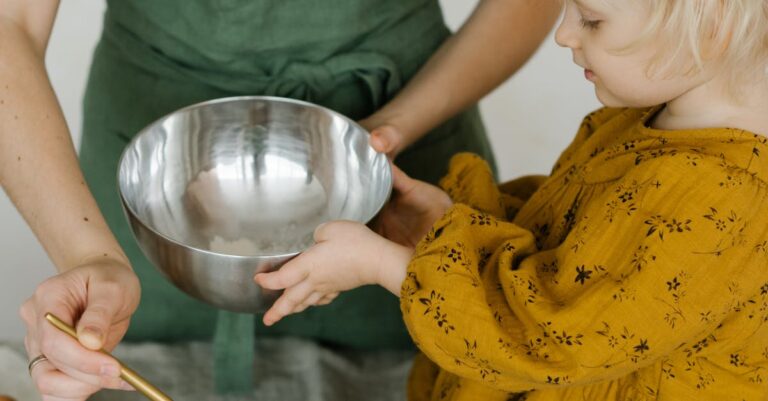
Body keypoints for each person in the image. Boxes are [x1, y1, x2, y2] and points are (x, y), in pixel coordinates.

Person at [0, 0, 562, 399]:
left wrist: (391, 129)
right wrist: (86, 255)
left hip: (400, 165)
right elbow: (10, 21)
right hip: (160, 190)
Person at [256, 0, 768, 399]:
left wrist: (388, 266)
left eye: (591, 20)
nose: (564, 33)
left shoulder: (721, 196)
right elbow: (567, 243)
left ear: (712, 29)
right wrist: (446, 224)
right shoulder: (658, 117)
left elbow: (547, 339)